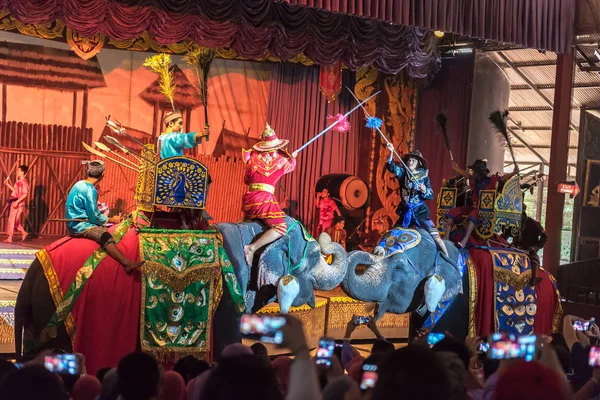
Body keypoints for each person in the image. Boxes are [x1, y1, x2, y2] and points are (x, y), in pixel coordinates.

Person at [66, 160, 143, 273]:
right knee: (104, 235)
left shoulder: (78, 184)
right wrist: (112, 219)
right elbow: (94, 217)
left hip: (73, 222)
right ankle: (126, 263)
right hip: (80, 226)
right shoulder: (90, 190)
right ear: (103, 174)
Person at [242, 123, 297, 266]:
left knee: (247, 222)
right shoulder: (281, 161)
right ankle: (251, 248)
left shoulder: (252, 158)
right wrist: (293, 158)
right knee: (281, 227)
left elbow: (246, 180)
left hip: (249, 200)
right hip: (265, 200)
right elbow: (291, 167)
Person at [386, 144, 449, 257]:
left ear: (418, 164)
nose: (410, 162)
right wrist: (391, 152)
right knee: (393, 234)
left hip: (420, 212)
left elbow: (431, 195)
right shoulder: (403, 173)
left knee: (436, 237)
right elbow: (392, 168)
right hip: (405, 212)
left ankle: (448, 259)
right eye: (409, 160)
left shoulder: (424, 177)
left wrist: (424, 190)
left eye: (413, 161)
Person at [445, 159, 518, 248]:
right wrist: (456, 168)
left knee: (473, 214)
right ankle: (446, 236)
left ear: (479, 173)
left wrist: (513, 173)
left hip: (484, 209)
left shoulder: (491, 181)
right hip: (472, 206)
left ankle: (464, 240)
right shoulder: (473, 180)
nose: (472, 173)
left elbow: (503, 178)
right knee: (452, 211)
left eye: (474, 171)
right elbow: (466, 175)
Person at [513, 204, 548, 286]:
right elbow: (506, 235)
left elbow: (545, 236)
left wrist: (536, 247)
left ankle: (534, 278)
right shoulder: (513, 222)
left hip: (529, 249)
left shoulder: (533, 223)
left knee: (534, 258)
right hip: (515, 247)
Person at [3, 165, 29, 243]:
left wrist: (17, 202)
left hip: (18, 203)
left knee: (13, 220)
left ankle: (10, 237)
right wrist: (7, 185)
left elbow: (25, 194)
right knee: (13, 220)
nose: (16, 172)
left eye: (18, 170)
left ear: (22, 172)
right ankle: (23, 232)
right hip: (15, 202)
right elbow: (15, 191)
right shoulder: (18, 182)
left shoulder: (24, 182)